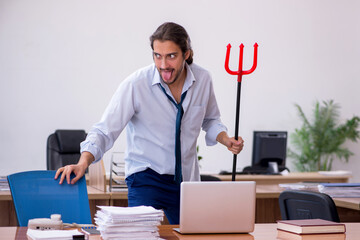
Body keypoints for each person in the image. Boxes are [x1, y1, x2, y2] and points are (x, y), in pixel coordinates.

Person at [55, 22, 244, 224]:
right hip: (146, 177)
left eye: (171, 56)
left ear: (186, 54)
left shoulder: (203, 79)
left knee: (192, 236)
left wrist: (226, 139)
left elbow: (211, 119)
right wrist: (83, 162)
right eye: (157, 55)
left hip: (186, 180)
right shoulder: (136, 84)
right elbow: (105, 130)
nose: (163, 65)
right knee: (141, 234)